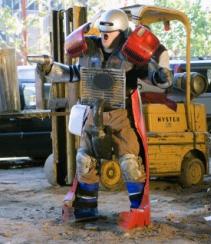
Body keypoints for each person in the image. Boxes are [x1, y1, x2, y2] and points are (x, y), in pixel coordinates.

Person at [34, 9, 172, 223]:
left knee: (130, 163)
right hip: (92, 114)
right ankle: (87, 210)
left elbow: (156, 78)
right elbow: (72, 73)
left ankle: (138, 211)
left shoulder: (131, 56)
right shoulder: (89, 49)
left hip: (120, 115)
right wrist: (49, 67)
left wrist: (163, 73)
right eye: (103, 31)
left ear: (122, 32)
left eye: (111, 32)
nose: (105, 36)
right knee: (84, 160)